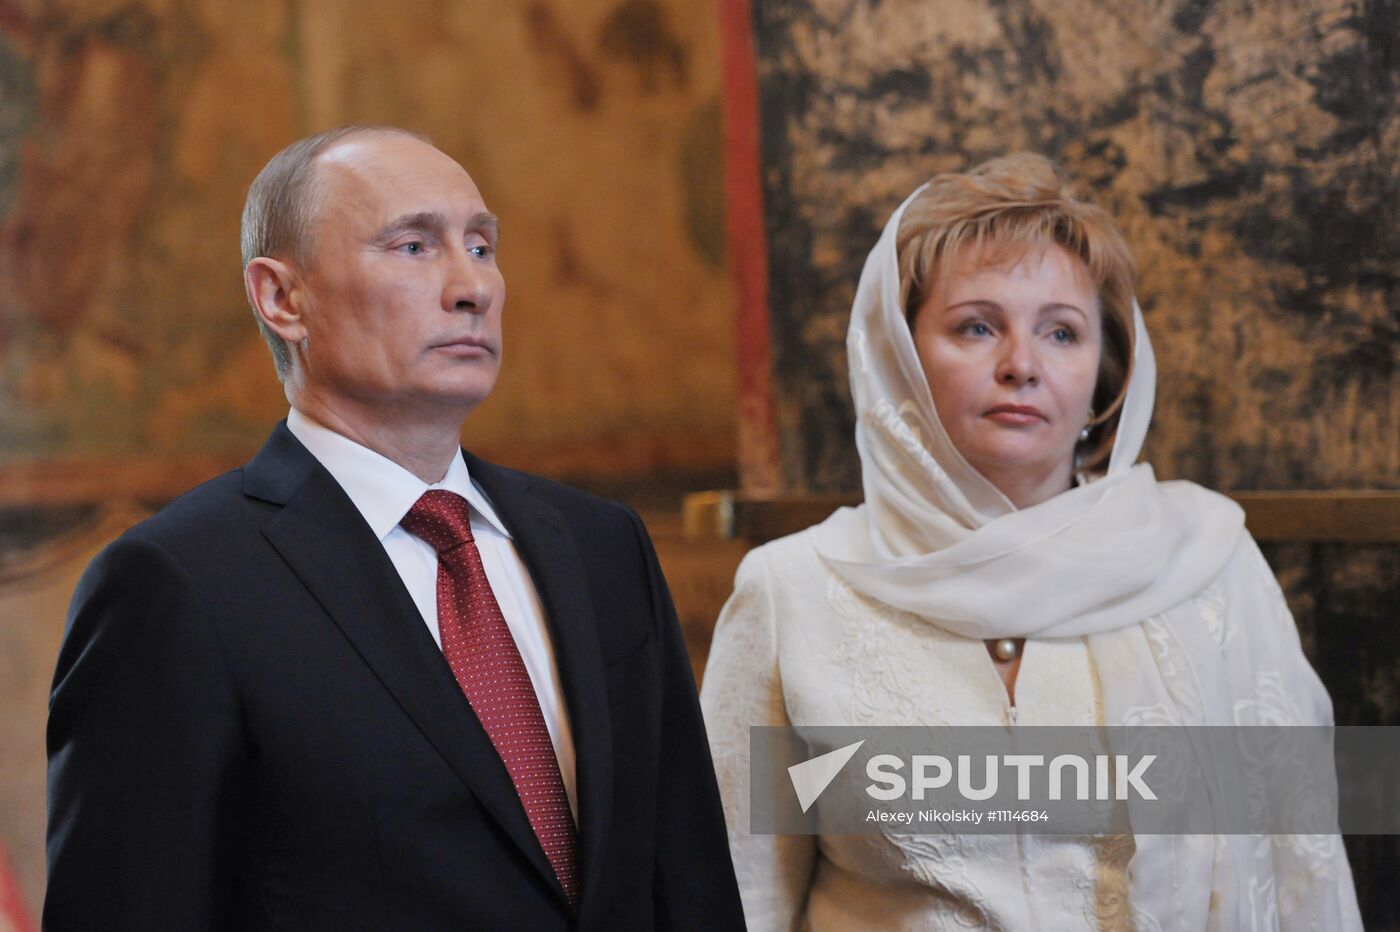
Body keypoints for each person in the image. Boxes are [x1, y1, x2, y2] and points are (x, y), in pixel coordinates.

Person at [45, 124, 745, 931]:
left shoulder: (601, 546)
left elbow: (687, 885)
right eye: (412, 247)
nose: (470, 287)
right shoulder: (176, 584)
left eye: (481, 248)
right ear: (282, 298)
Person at [700, 154, 1361, 930]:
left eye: (1061, 332)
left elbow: (1302, 871)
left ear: (1102, 373)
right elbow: (736, 896)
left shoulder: (1207, 565)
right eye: (976, 327)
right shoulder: (794, 589)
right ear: (900, 361)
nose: (1022, 365)